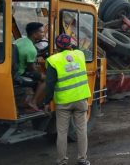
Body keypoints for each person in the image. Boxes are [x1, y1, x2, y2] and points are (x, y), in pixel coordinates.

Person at [43, 34, 91, 165]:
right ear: (70, 44)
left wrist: (47, 102)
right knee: (81, 130)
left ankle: (62, 161)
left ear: (56, 46)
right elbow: (76, 47)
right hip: (81, 100)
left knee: (62, 132)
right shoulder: (79, 54)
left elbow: (50, 84)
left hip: (63, 102)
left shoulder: (53, 60)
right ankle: (82, 159)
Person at [14, 22, 46, 111]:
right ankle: (33, 102)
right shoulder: (31, 50)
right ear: (35, 34)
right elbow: (31, 68)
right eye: (41, 32)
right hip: (21, 72)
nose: (43, 34)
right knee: (46, 79)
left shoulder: (19, 40)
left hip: (14, 69)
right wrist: (41, 73)